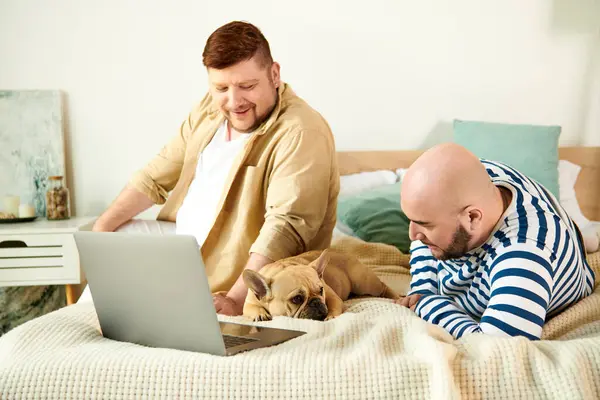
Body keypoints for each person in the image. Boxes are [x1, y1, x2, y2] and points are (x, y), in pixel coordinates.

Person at [92, 21, 340, 316]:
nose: (234, 102)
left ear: (274, 74)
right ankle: (89, 323)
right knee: (115, 233)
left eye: (247, 86)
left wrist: (237, 299)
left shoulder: (301, 131)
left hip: (238, 270)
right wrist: (101, 230)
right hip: (184, 247)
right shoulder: (209, 110)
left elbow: (286, 226)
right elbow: (155, 175)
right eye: (221, 88)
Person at [396, 143, 595, 340]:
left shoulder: (523, 254)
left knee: (550, 245)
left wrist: (428, 304)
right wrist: (423, 288)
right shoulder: (472, 178)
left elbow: (497, 345)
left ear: (472, 217)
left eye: (425, 224)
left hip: (551, 252)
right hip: (537, 231)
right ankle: (584, 239)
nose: (412, 235)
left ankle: (579, 243)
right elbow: (424, 236)